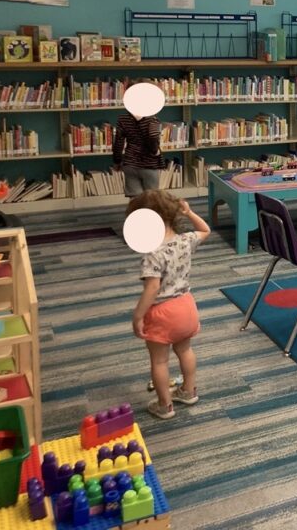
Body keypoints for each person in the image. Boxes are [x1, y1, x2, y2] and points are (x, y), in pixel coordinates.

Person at [129, 190, 210, 420]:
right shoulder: (184, 241)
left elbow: (152, 289)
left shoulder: (152, 254)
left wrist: (138, 316)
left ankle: (165, 405)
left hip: (163, 313)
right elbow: (206, 230)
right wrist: (190, 212)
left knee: (159, 360)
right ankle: (188, 391)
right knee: (185, 350)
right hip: (186, 306)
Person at [113, 94, 164, 197]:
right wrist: (155, 151)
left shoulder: (123, 119)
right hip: (149, 164)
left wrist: (117, 161)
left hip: (130, 163)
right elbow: (153, 137)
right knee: (152, 199)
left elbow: (118, 142)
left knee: (135, 200)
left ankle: (136, 213)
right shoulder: (153, 120)